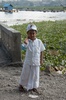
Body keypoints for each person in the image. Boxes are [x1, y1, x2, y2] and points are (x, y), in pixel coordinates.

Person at [19, 23, 45, 94]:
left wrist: (41, 60)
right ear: (27, 34)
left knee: (35, 75)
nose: (32, 35)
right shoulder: (27, 42)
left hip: (36, 62)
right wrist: (26, 40)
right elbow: (23, 47)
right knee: (25, 73)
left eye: (33, 33)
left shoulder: (39, 42)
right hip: (28, 61)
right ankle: (21, 85)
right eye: (30, 33)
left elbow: (42, 50)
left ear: (36, 33)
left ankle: (34, 87)